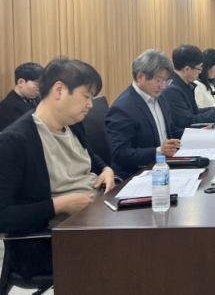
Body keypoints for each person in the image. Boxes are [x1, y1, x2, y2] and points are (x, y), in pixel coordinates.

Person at [0, 58, 115, 279]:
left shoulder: (73, 125)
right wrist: (59, 205)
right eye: (86, 96)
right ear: (59, 90)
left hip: (97, 218)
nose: (90, 105)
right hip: (54, 241)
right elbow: (3, 215)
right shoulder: (15, 141)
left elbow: (89, 156)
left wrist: (106, 170)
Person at [106, 50, 182, 180]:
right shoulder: (123, 108)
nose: (163, 86)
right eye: (158, 80)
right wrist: (159, 151)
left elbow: (170, 130)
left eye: (166, 81)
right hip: (139, 174)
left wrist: (196, 134)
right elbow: (120, 154)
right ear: (140, 77)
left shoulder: (160, 97)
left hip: (166, 165)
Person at [160, 45, 215, 136]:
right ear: (187, 69)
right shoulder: (172, 90)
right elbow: (187, 121)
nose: (200, 72)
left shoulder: (186, 84)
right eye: (199, 69)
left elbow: (195, 112)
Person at [0, 62, 44, 130]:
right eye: (37, 84)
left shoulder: (37, 99)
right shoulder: (6, 107)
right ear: (21, 82)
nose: (40, 88)